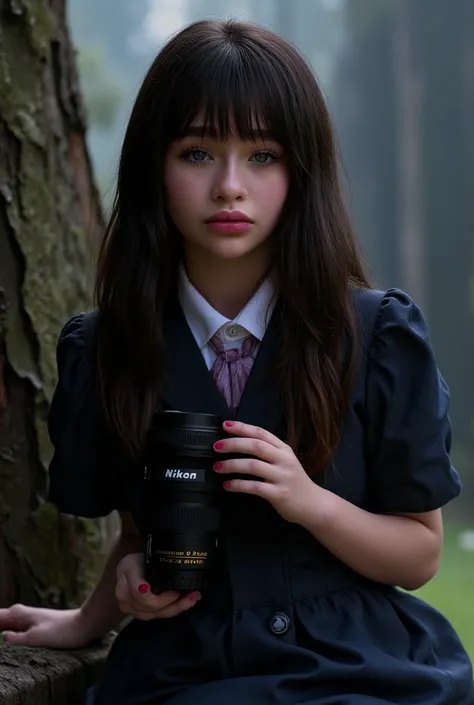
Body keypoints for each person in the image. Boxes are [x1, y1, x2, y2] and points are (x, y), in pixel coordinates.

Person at [0, 18, 472, 705]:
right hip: (189, 670)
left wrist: (310, 501)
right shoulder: (109, 350)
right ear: (153, 166)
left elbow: (422, 552)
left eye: (263, 155)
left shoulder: (376, 335)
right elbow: (138, 532)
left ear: (300, 170)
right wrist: (104, 605)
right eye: (197, 152)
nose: (229, 186)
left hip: (361, 668)